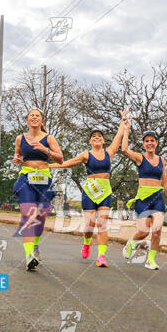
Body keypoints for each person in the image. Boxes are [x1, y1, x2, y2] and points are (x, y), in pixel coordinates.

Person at [47, 110, 127, 267]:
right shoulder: (86, 155)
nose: (97, 138)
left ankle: (101, 256)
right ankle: (87, 242)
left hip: (105, 191)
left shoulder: (108, 153)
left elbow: (119, 136)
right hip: (90, 192)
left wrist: (123, 119)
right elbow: (66, 163)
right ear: (90, 141)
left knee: (102, 223)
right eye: (94, 137)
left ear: (103, 140)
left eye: (99, 137)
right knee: (89, 225)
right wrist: (48, 165)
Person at [12, 108, 63, 271]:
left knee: (40, 217)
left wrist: (45, 150)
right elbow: (18, 156)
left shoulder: (49, 138)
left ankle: (34, 245)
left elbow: (60, 159)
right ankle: (29, 256)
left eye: (37, 115)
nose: (34, 117)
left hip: (44, 179)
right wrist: (17, 159)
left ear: (42, 121)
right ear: (27, 121)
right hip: (26, 177)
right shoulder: (20, 138)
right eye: (31, 116)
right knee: (28, 215)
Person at [121, 121, 167, 270]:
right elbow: (124, 149)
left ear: (156, 143)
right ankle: (130, 244)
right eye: (147, 141)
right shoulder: (140, 158)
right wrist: (126, 129)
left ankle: (150, 260)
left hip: (157, 198)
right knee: (144, 232)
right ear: (144, 144)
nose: (150, 143)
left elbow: (164, 181)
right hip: (143, 199)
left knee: (157, 230)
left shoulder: (161, 160)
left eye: (152, 140)